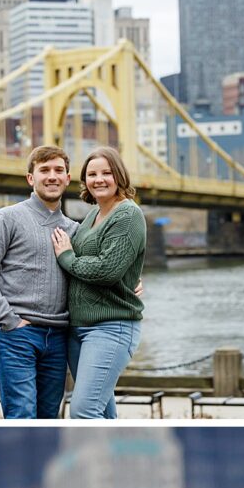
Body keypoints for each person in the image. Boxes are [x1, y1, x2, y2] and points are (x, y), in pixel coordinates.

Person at [0, 141, 76, 419]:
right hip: (17, 334)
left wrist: (129, 284)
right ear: (31, 178)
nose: (52, 176)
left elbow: (98, 270)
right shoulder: (7, 218)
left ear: (67, 178)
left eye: (58, 170)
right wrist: (9, 319)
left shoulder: (76, 230)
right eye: (44, 170)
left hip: (59, 337)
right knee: (22, 414)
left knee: (49, 417)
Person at [55, 145, 147, 420]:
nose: (99, 179)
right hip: (79, 329)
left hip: (110, 328)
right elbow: (110, 262)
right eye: (92, 174)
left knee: (83, 411)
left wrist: (66, 257)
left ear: (119, 175)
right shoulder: (93, 216)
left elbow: (108, 269)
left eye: (106, 172)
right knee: (103, 414)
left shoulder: (128, 215)